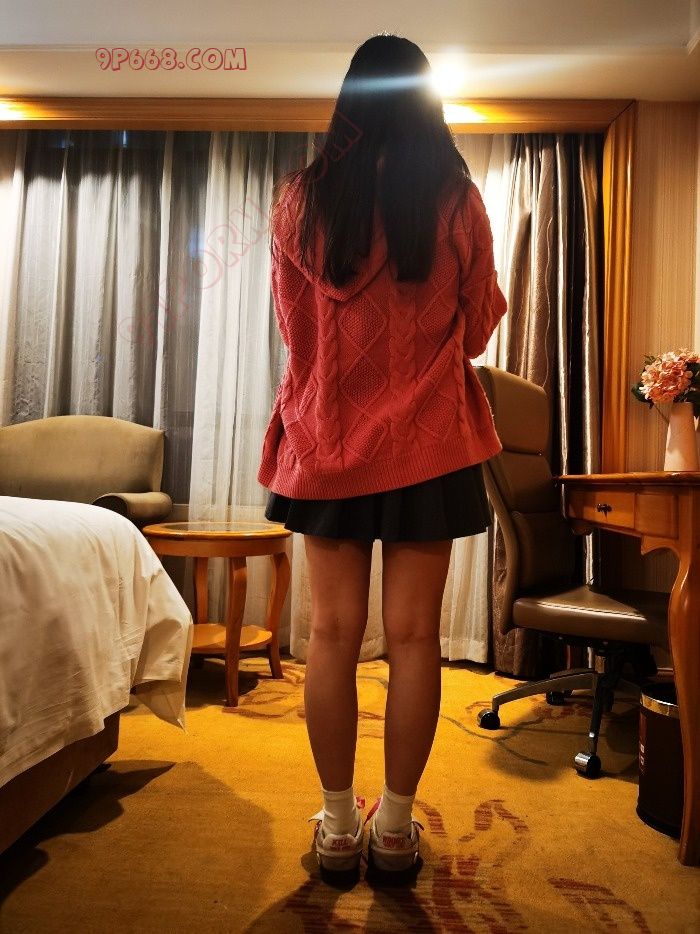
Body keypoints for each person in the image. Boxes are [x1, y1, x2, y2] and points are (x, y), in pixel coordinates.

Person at [257, 33, 508, 880]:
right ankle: (394, 828)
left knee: (330, 635)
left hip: (326, 443)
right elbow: (477, 328)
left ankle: (337, 827)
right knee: (415, 639)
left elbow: (294, 330)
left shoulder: (300, 201)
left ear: (349, 102)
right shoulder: (456, 199)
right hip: (429, 446)